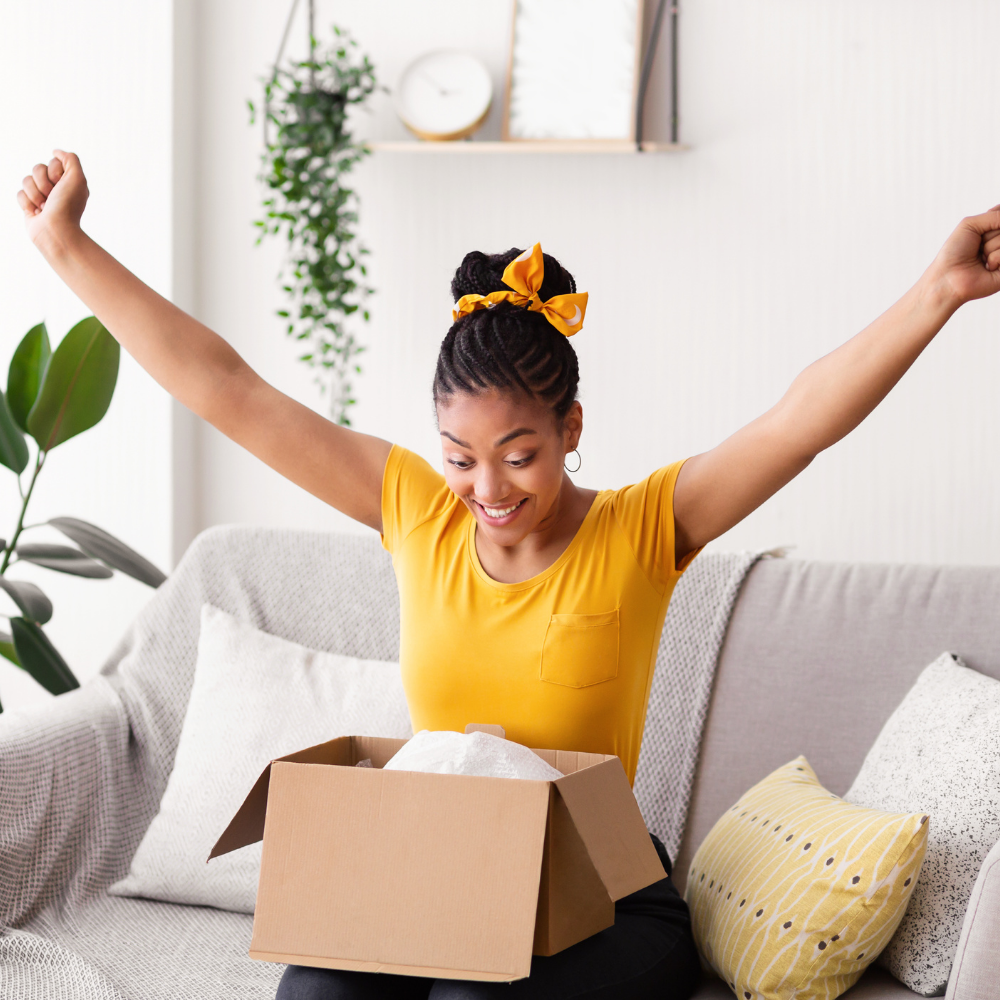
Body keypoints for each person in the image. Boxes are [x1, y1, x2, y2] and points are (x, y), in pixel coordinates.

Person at [16, 151, 1000, 1000]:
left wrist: (937, 293)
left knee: (468, 993)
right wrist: (67, 246)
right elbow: (228, 389)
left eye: (519, 453)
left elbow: (798, 423)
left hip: (607, 900)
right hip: (437, 873)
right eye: (459, 454)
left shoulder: (643, 527)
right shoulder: (414, 510)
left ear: (571, 429)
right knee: (316, 987)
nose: (486, 488)